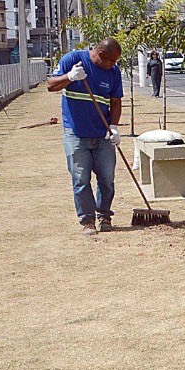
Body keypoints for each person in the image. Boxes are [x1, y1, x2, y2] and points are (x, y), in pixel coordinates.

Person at [47, 38, 124, 235]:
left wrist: (113, 127)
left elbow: (116, 102)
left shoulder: (113, 72)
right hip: (76, 134)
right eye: (111, 61)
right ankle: (87, 220)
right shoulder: (73, 60)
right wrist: (70, 77)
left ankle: (104, 216)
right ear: (101, 55)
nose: (113, 65)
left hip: (102, 134)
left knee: (107, 179)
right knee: (80, 179)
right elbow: (51, 85)